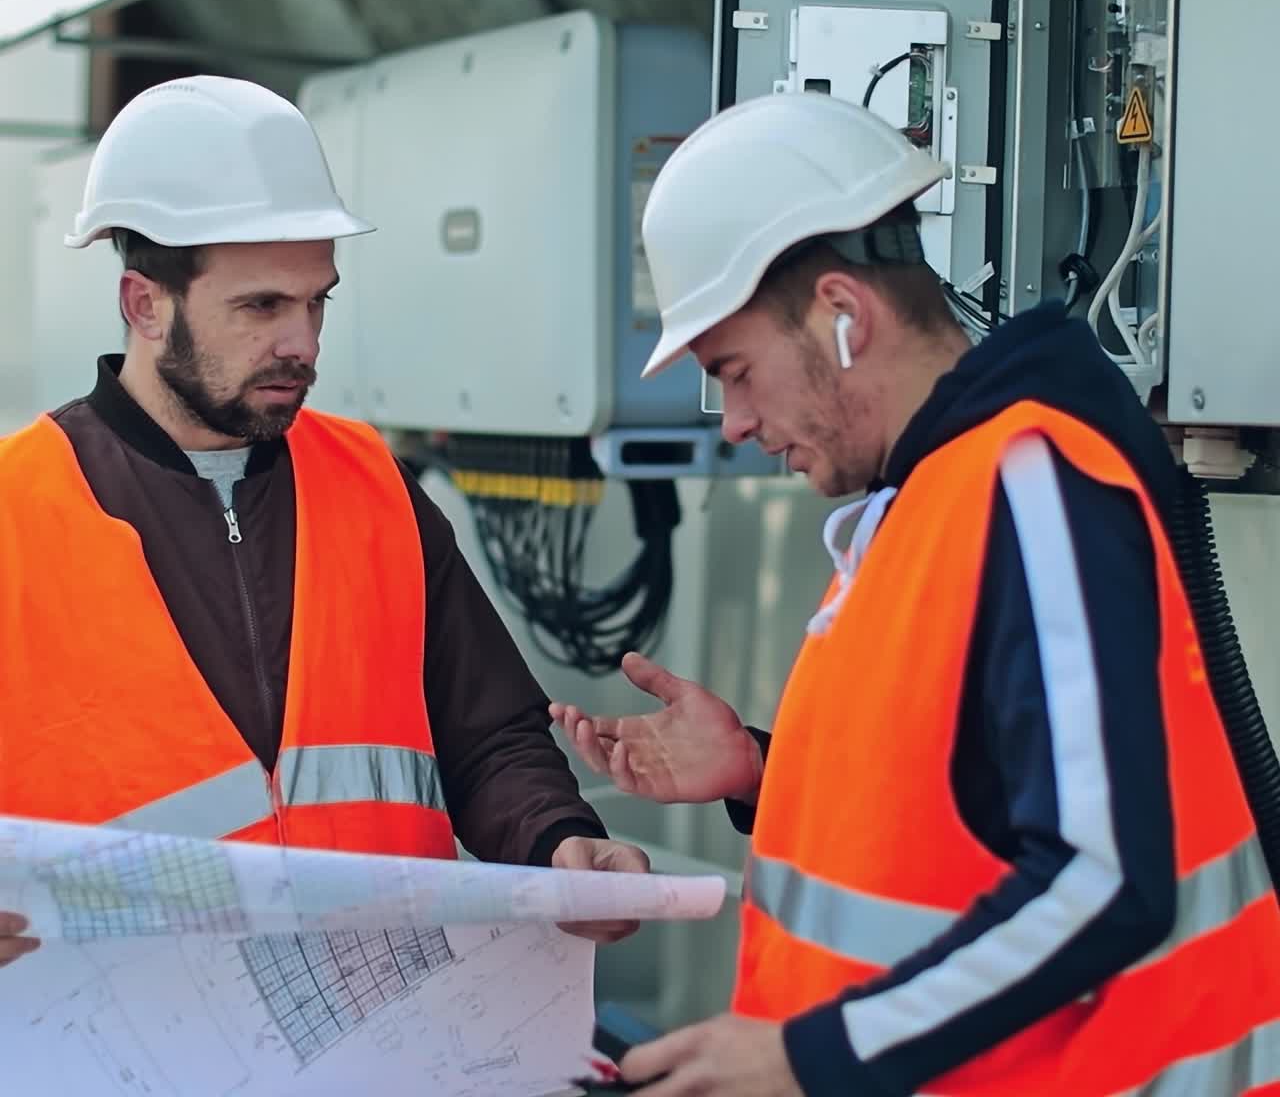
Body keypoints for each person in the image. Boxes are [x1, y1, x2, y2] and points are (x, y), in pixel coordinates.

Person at [552, 92, 1280, 1095]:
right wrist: (756, 769)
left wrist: (810, 1054)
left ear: (843, 317)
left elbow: (1104, 878)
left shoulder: (1030, 481)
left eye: (735, 368)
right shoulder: (927, 497)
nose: (732, 420)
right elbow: (962, 801)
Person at [0, 74, 646, 972]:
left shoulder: (373, 482)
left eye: (318, 301)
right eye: (262, 306)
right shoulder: (14, 510)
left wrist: (558, 839)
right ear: (145, 304)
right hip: (115, 1046)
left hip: (375, 1033)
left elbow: (489, 731)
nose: (302, 343)